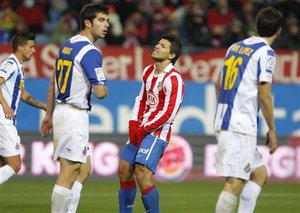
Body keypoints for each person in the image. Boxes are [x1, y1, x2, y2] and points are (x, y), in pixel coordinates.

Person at [40, 3, 109, 213]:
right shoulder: (90, 52)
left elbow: (53, 82)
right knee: (69, 171)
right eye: (101, 20)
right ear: (87, 23)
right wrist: (104, 85)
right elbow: (100, 92)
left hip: (62, 111)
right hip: (73, 115)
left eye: (107, 20)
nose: (106, 25)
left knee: (84, 169)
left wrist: (48, 115)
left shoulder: (68, 44)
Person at [213, 7, 282, 213]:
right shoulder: (266, 53)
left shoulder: (235, 47)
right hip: (240, 126)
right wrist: (272, 129)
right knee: (235, 182)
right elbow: (264, 94)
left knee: (259, 175)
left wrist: (226, 109)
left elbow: (219, 82)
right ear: (279, 31)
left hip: (227, 120)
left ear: (256, 26)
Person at [118, 34, 185, 213]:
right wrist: (133, 123)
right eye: (157, 43)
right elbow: (141, 99)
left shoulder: (174, 79)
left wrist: (145, 128)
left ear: (171, 55)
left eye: (162, 46)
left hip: (156, 133)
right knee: (124, 169)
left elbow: (169, 113)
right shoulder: (148, 71)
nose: (156, 46)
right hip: (140, 128)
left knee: (142, 172)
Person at [0, 31, 46, 185]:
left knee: (2, 164)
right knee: (15, 165)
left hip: (5, 120)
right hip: (3, 119)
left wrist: (43, 106)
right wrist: (5, 106)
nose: (34, 50)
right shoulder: (10, 64)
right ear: (20, 48)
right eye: (31, 47)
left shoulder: (18, 67)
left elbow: (23, 95)